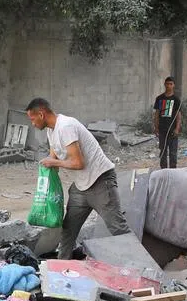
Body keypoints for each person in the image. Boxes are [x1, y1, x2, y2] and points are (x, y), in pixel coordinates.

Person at [25, 97, 130, 258]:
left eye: (32, 119)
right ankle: (61, 272)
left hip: (101, 181)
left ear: (41, 114)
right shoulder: (51, 130)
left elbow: (78, 162)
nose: (32, 124)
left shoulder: (66, 126)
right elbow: (53, 158)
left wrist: (52, 162)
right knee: (68, 231)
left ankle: (141, 268)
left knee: (118, 228)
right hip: (81, 187)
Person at [153, 76, 182, 169]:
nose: (169, 86)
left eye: (171, 84)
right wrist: (156, 127)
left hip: (173, 131)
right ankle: (164, 172)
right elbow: (157, 114)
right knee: (163, 152)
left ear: (173, 85)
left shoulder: (176, 99)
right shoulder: (159, 98)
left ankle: (173, 173)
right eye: (167, 84)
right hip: (162, 130)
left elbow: (178, 116)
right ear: (164, 84)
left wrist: (177, 129)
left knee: (173, 153)